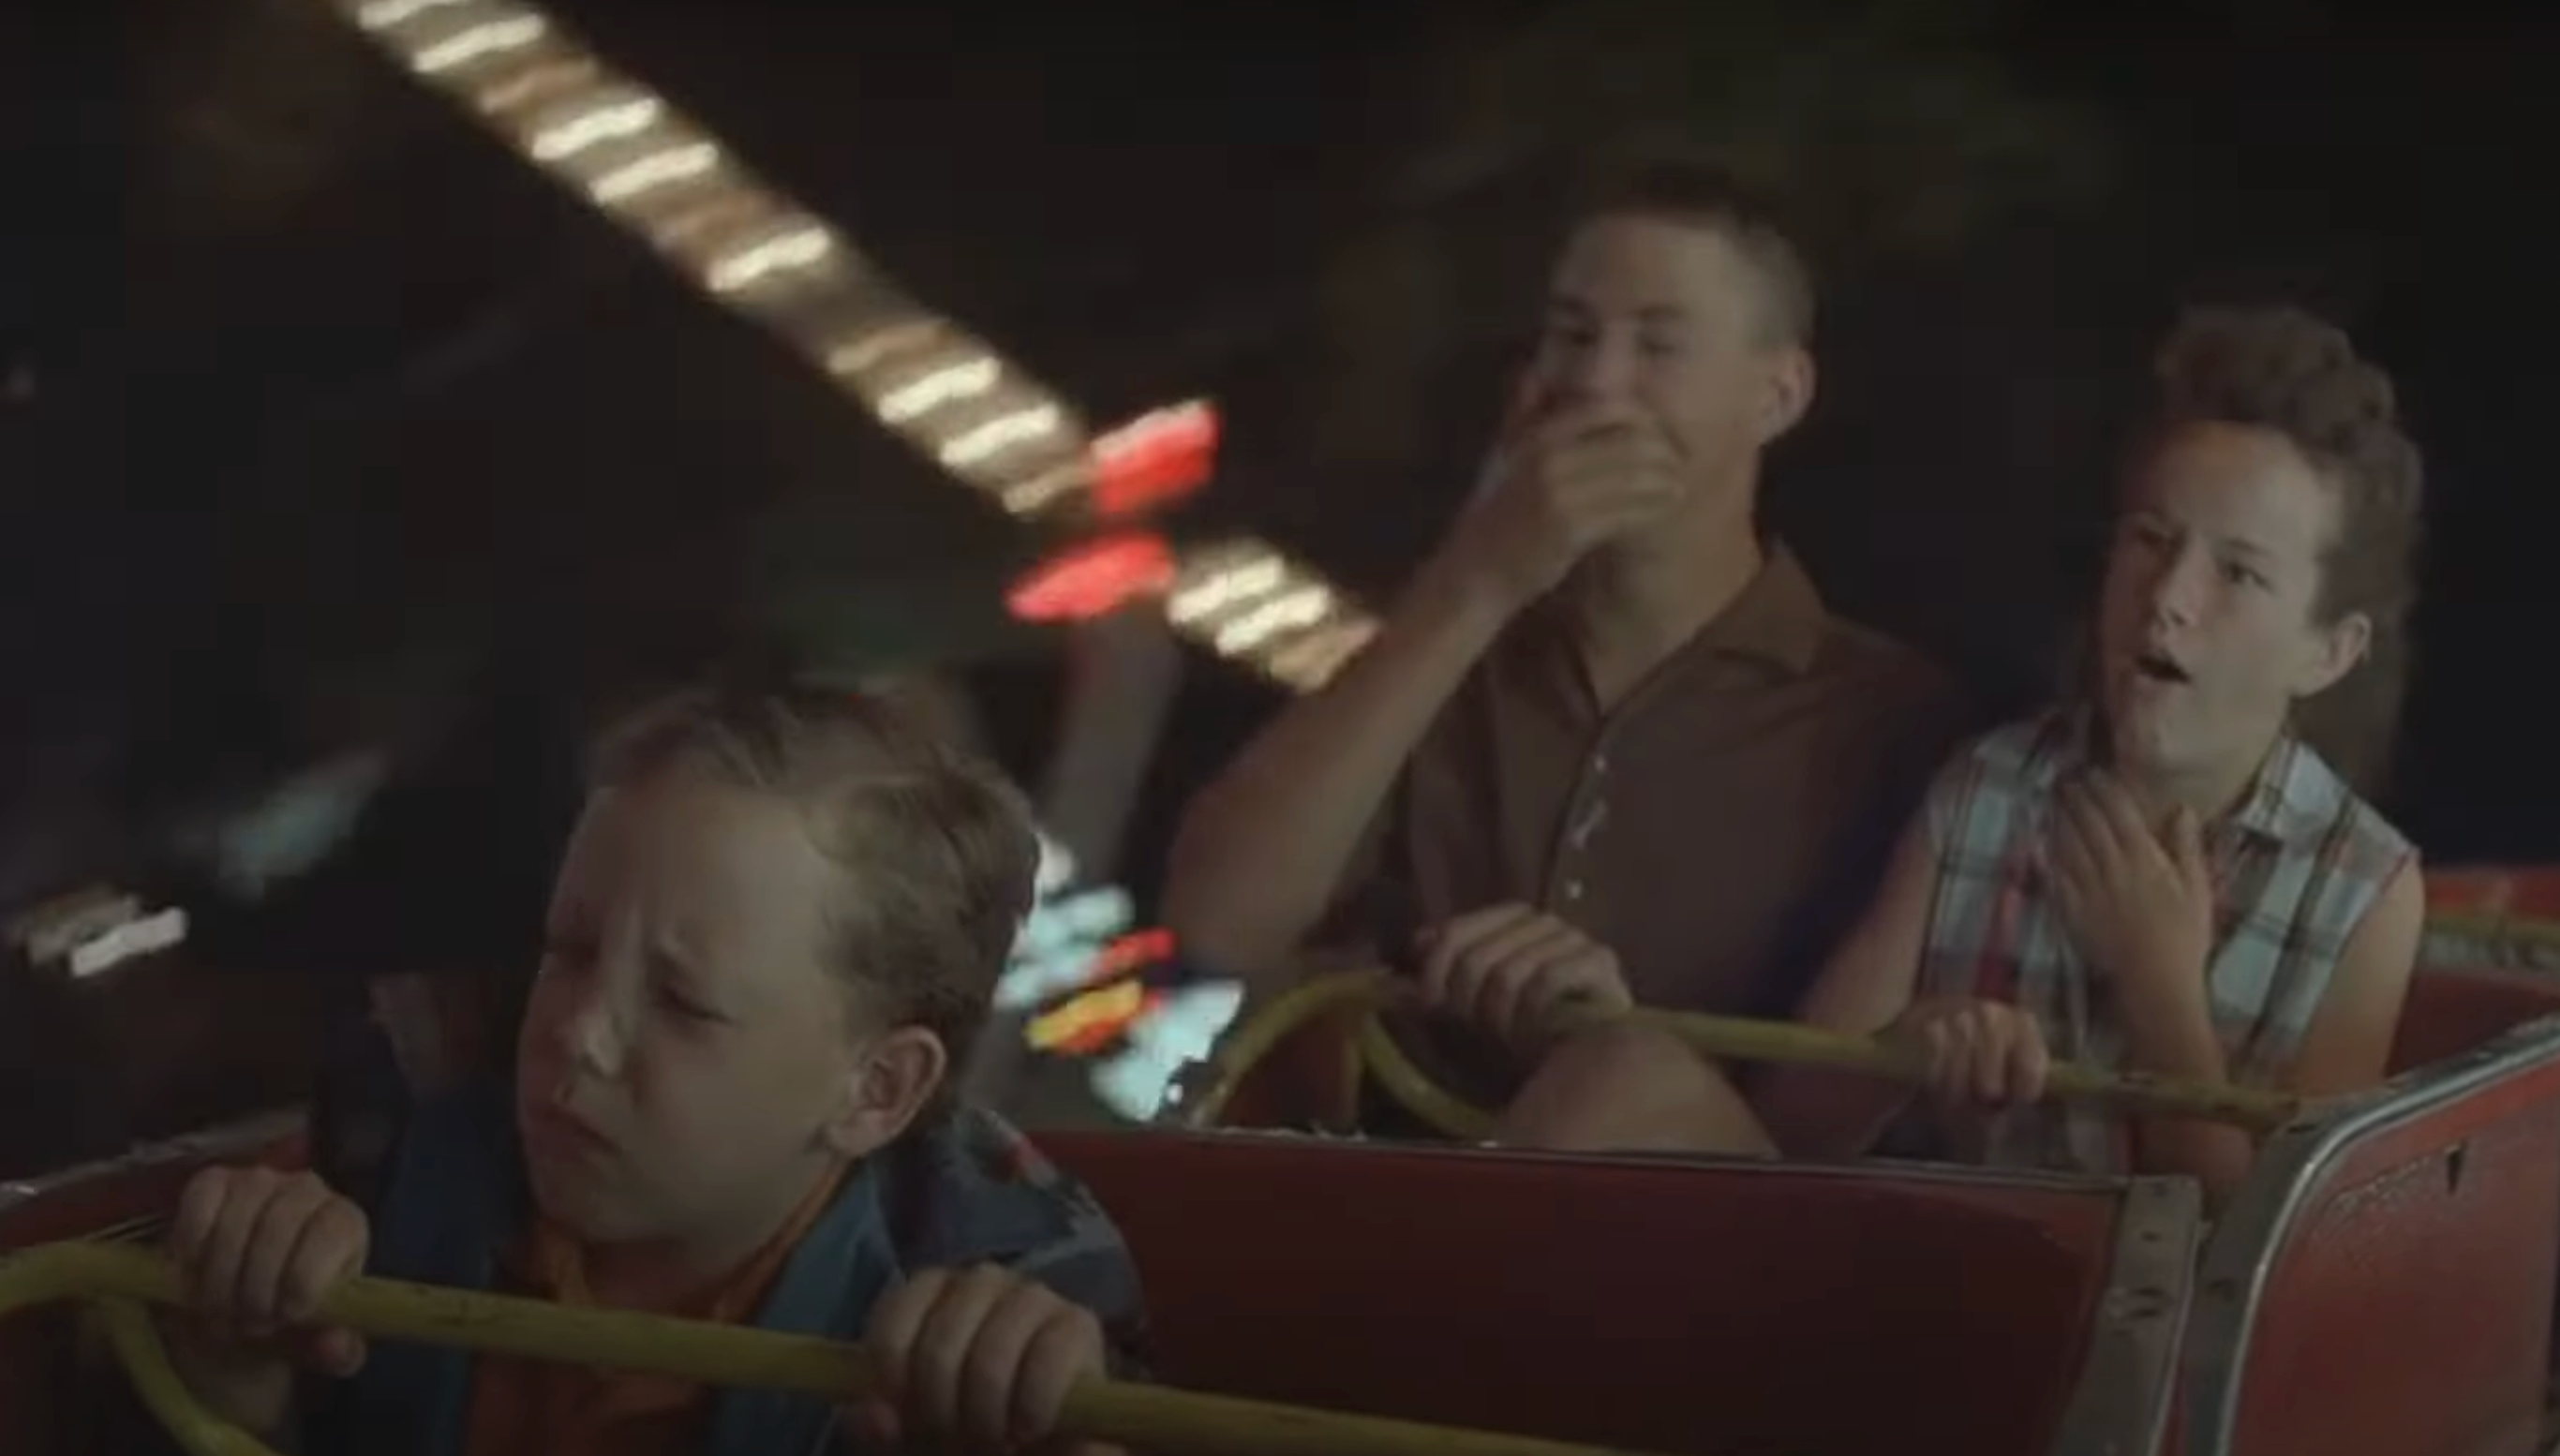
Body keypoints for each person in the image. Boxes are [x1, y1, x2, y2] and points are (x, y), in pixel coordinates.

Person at [1163, 159, 1973, 1151]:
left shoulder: (1886, 718)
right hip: (1395, 1231)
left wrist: (1612, 1038)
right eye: (1571, 335)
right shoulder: (1441, 655)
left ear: (1778, 395)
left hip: (1696, 1270)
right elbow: (1214, 921)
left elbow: (1849, 1131)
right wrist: (1477, 576)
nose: (1594, 382)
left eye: (1657, 345)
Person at [158, 684, 1144, 1456]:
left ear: (875, 1090)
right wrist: (230, 1371)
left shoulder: (1019, 1291)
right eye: (570, 949)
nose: (577, 1034)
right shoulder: (384, 1142)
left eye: (682, 1004)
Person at [1750, 305, 2428, 1202]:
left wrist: (2160, 993)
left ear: (2328, 652)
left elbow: (2289, 1251)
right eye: (2151, 539)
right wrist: (1905, 1052)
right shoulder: (1988, 788)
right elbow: (1778, 1138)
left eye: (2240, 573)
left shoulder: (2364, 887)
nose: (2171, 598)